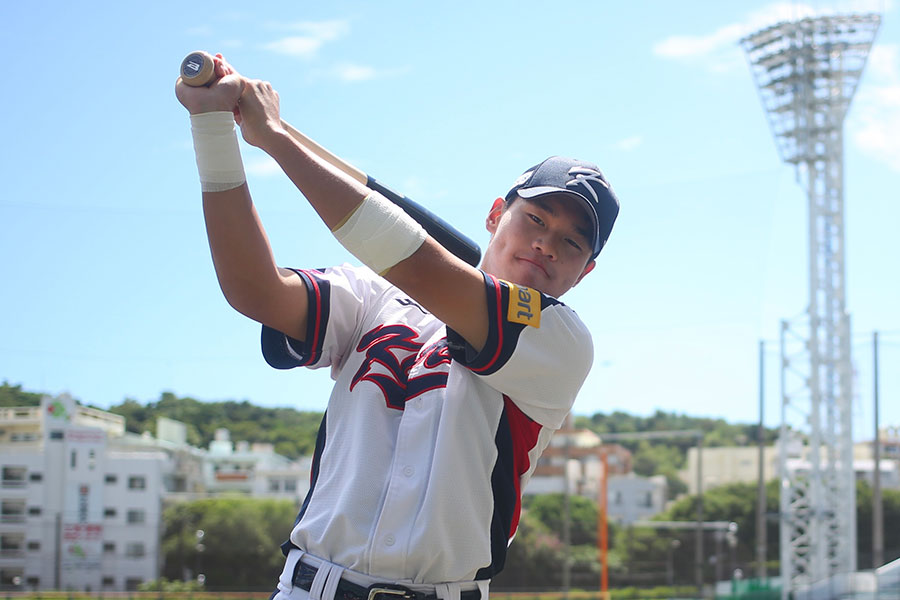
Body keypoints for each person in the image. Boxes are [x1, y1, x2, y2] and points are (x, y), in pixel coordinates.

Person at [175, 54, 619, 600]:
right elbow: (254, 291)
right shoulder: (374, 293)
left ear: (586, 270)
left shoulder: (560, 341)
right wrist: (213, 127)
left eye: (572, 242)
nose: (547, 244)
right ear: (494, 214)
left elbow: (418, 263)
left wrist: (275, 139)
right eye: (535, 218)